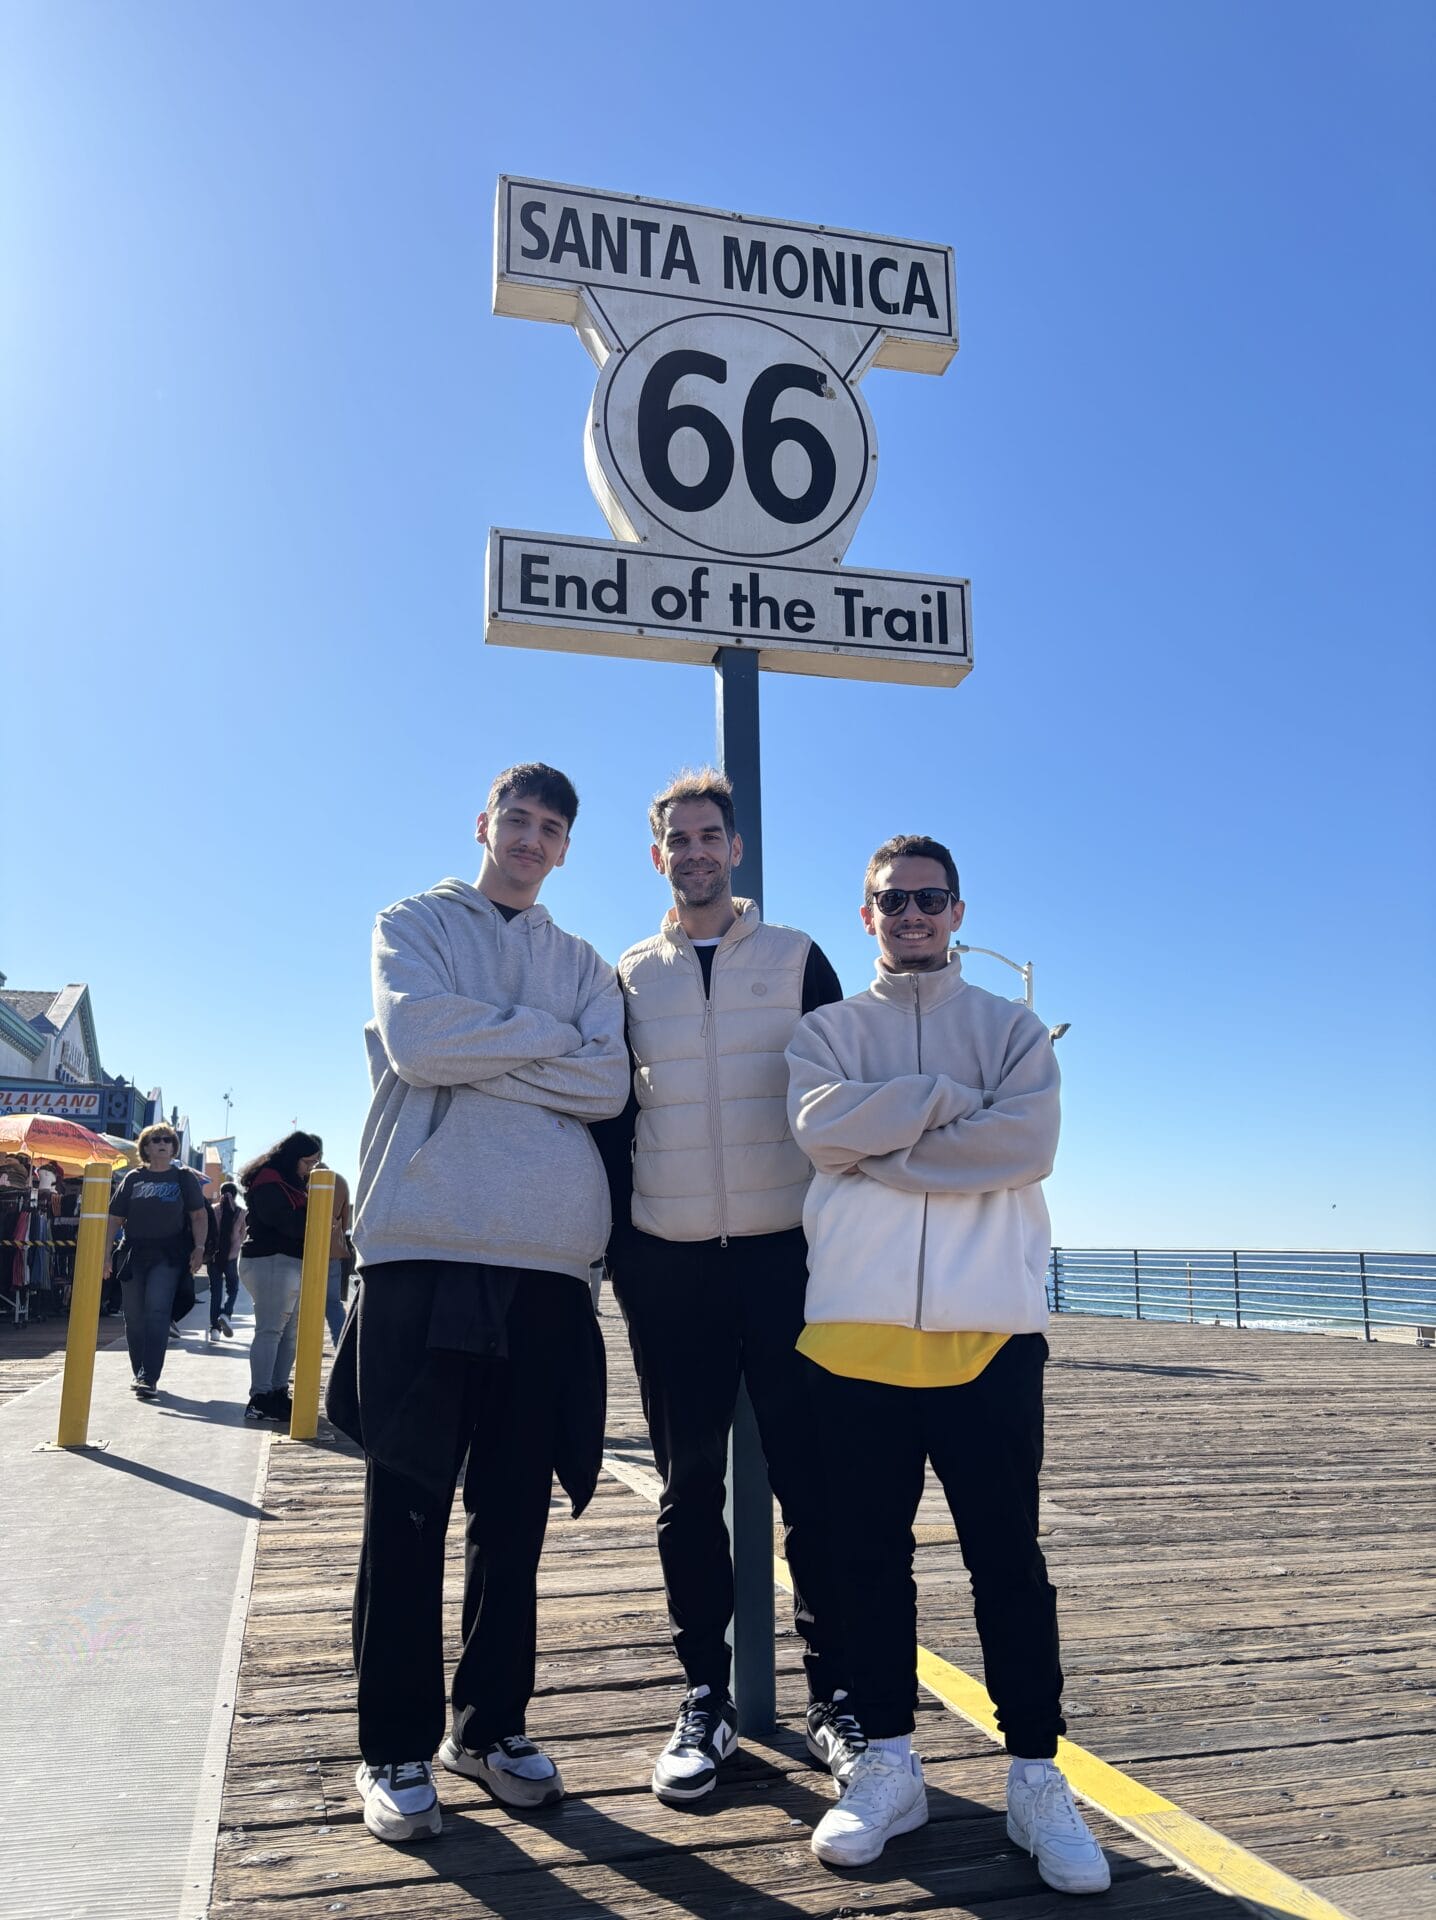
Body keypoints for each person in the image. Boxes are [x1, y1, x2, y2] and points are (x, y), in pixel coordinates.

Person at [784, 834, 1109, 1894]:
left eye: (928, 899)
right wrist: (938, 1100)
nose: (910, 915)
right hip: (852, 1341)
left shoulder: (1011, 1030)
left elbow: (1024, 1148)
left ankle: (1033, 1778)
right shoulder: (826, 1031)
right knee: (865, 1565)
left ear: (957, 912)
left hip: (989, 1342)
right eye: (891, 901)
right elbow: (814, 1128)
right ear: (864, 913)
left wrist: (881, 1142)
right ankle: (888, 1765)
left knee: (1006, 1567)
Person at [338, 761, 628, 1845]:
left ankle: (488, 1726)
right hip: (422, 1249)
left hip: (551, 1267)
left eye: (550, 827)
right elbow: (417, 1042)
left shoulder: (586, 963)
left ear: (563, 849)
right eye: (516, 818)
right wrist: (547, 1041)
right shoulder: (413, 922)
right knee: (404, 1511)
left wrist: (486, 1049)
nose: (529, 838)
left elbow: (608, 1086)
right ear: (484, 825)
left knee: (514, 1516)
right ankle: (393, 1747)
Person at [594, 769, 855, 1808]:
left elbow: (842, 1097)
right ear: (657, 856)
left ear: (735, 849)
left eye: (710, 835)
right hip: (668, 1264)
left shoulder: (796, 958)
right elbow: (610, 1119)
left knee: (813, 1490)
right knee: (685, 1490)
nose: (695, 852)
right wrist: (619, 1251)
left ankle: (834, 1698)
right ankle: (705, 1694)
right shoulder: (626, 974)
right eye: (677, 840)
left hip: (787, 1259)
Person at [103, 1123, 208, 1400]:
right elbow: (114, 1219)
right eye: (155, 1139)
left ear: (174, 1147)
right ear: (146, 1147)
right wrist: (104, 1256)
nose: (162, 1143)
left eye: (167, 1140)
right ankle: (140, 1372)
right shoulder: (133, 1179)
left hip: (169, 1254)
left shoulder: (183, 1178)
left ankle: (149, 1375)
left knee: (157, 1312)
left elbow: (198, 1215)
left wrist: (199, 1248)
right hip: (133, 1252)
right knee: (134, 1317)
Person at [238, 1132, 323, 1422]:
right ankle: (260, 1397)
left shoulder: (291, 1182)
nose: (311, 1168)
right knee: (271, 1331)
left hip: (288, 1262)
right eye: (308, 1161)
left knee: (288, 1335)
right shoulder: (269, 1180)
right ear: (293, 1157)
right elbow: (284, 1221)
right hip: (270, 1260)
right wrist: (316, 1216)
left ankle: (276, 1392)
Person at [206, 1179, 245, 1341]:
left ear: (221, 1192)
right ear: (235, 1195)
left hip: (213, 1257)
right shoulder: (242, 1213)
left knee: (215, 1293)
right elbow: (242, 1236)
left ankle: (215, 1330)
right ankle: (226, 1313)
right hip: (231, 1257)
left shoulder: (212, 1209)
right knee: (233, 1289)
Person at [322, 1165, 353, 1347]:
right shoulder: (339, 1180)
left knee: (298, 1307)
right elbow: (345, 1217)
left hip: (301, 1250)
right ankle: (341, 1347)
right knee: (333, 1304)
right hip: (332, 1249)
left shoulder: (301, 1178)